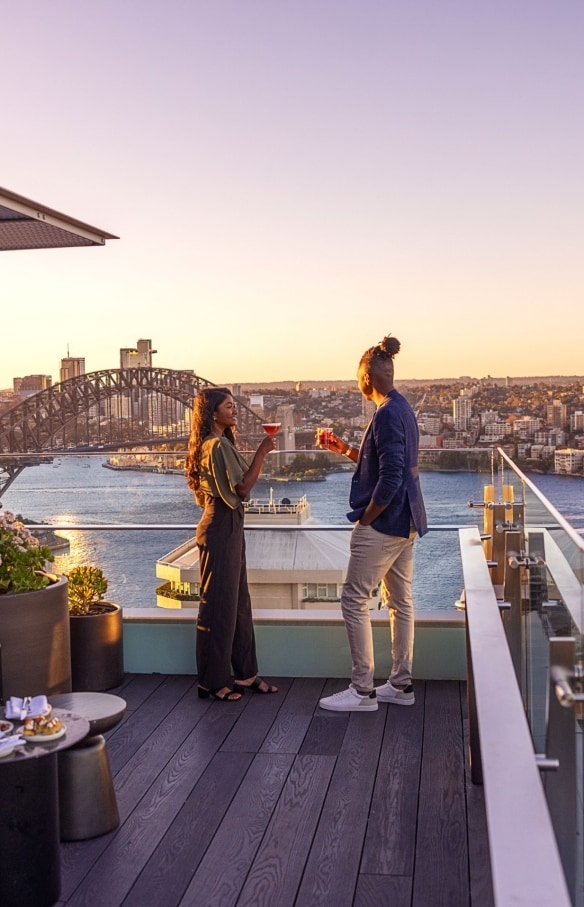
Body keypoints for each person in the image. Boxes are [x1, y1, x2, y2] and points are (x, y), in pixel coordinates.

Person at [318, 335, 428, 712]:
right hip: (407, 520)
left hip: (386, 523)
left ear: (366, 377)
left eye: (357, 378)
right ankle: (400, 684)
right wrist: (346, 449)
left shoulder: (385, 414)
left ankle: (362, 690)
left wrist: (366, 519)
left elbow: (391, 476)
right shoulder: (402, 408)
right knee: (400, 602)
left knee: (353, 599)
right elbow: (383, 464)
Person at [185, 387, 279, 702]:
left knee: (238, 604)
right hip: (222, 526)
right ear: (213, 413)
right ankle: (211, 682)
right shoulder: (217, 445)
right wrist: (262, 452)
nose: (235, 410)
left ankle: (245, 673)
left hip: (226, 524)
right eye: (228, 406)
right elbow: (242, 488)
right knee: (218, 607)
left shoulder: (212, 443)